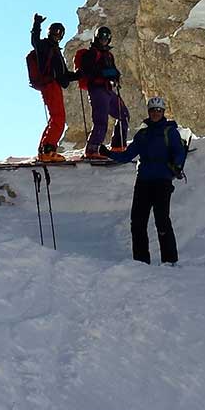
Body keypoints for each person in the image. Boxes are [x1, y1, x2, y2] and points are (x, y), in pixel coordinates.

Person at [101, 96, 187, 265]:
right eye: (153, 110)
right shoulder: (143, 134)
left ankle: (169, 261)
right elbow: (127, 155)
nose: (156, 113)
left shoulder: (170, 132)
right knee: (138, 221)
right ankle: (141, 261)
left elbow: (179, 151)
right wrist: (108, 153)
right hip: (144, 182)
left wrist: (177, 165)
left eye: (159, 110)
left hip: (162, 181)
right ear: (149, 112)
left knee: (162, 220)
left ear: (163, 112)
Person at [31, 13, 79, 163]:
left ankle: (44, 149)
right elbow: (35, 42)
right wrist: (36, 25)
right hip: (50, 85)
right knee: (59, 117)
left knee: (55, 117)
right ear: (50, 33)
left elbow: (63, 74)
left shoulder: (55, 50)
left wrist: (79, 75)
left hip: (54, 85)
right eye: (55, 32)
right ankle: (48, 150)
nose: (57, 35)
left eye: (59, 33)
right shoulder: (45, 47)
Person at [76, 25, 127, 159]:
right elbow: (88, 71)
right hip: (97, 89)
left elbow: (114, 71)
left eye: (106, 37)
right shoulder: (91, 54)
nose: (104, 40)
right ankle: (92, 149)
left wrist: (115, 76)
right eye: (102, 37)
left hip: (107, 89)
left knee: (124, 114)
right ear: (97, 38)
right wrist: (106, 74)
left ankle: (118, 146)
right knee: (101, 120)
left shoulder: (108, 55)